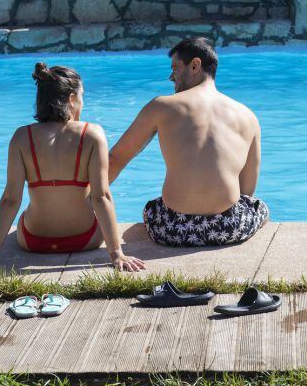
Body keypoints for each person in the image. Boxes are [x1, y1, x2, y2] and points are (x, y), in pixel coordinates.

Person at [0, 63, 145, 273]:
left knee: (26, 215)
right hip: (85, 239)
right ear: (70, 99)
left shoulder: (22, 137)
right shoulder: (92, 134)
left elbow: (10, 200)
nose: (83, 102)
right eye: (82, 96)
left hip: (33, 241)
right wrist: (117, 254)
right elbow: (101, 196)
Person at [109, 38, 269, 248]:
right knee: (260, 208)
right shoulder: (247, 116)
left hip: (171, 229)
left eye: (175, 69)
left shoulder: (161, 106)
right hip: (230, 228)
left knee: (151, 208)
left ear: (195, 65)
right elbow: (247, 192)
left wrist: (83, 197)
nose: (170, 77)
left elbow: (116, 159)